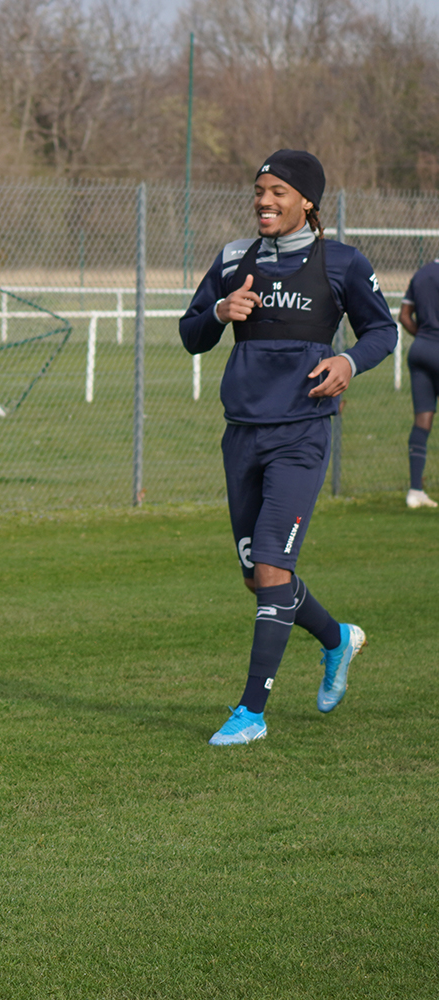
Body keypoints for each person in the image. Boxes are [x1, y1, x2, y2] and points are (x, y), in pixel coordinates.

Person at [179, 149, 396, 746]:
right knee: (259, 579)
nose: (264, 201)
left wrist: (349, 361)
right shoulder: (231, 260)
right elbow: (191, 334)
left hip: (301, 433)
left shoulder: (343, 263)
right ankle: (337, 638)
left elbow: (383, 329)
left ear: (307, 201)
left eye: (278, 191)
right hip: (241, 432)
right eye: (259, 191)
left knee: (275, 566)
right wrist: (221, 312)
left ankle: (251, 713)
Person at [399, 258, 439, 507]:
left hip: (420, 350)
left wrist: (424, 338)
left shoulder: (422, 273)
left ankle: (415, 491)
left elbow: (404, 316)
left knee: (422, 420)